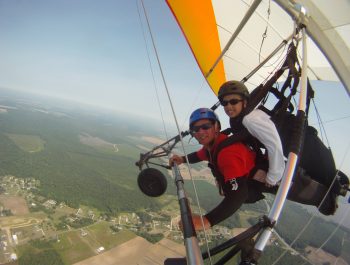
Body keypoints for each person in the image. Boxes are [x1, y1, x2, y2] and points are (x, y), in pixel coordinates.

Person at [169, 108, 338, 231]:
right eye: (195, 129)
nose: (200, 132)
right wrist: (183, 159)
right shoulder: (214, 144)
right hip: (259, 176)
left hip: (275, 179)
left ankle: (332, 194)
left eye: (205, 126)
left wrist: (206, 220)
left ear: (216, 127)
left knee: (322, 198)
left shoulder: (227, 153)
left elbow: (238, 195)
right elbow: (201, 154)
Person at [218, 80, 285, 187]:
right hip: (283, 146)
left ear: (244, 102)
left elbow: (274, 145)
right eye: (224, 103)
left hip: (297, 142)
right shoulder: (239, 117)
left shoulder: (250, 119)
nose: (228, 106)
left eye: (234, 101)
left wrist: (272, 178)